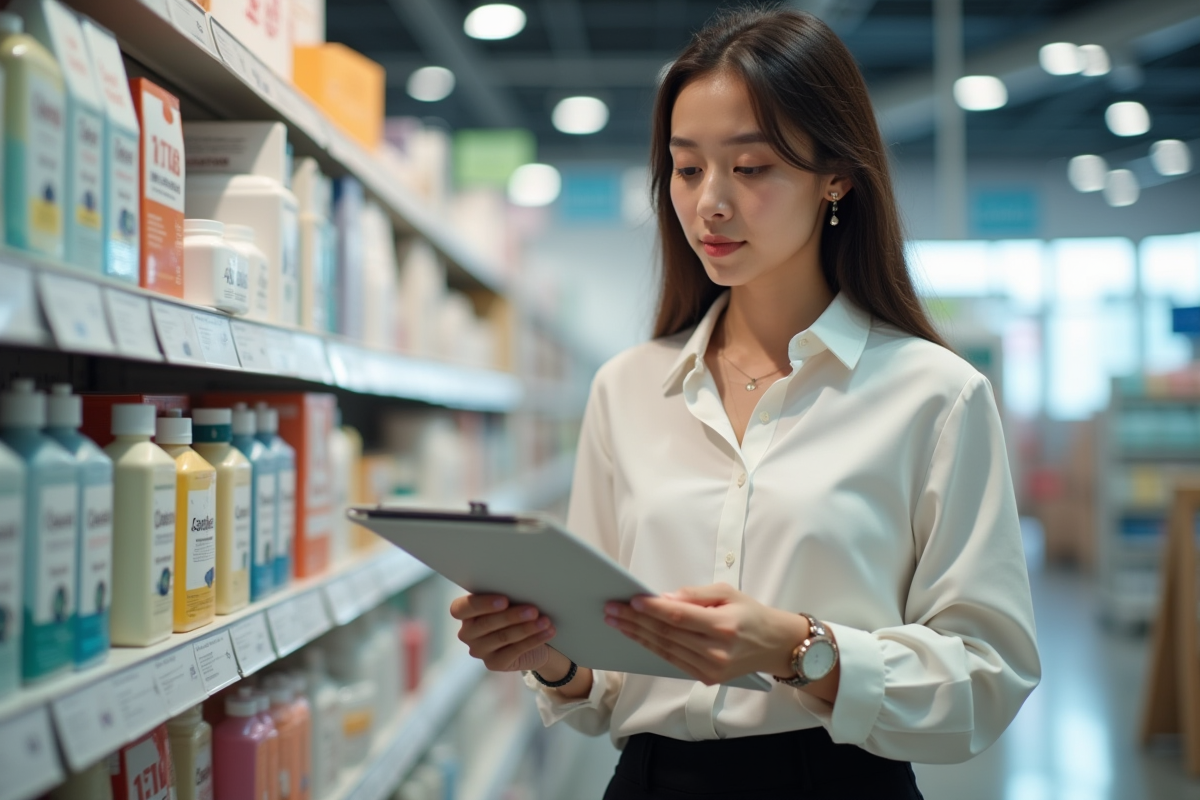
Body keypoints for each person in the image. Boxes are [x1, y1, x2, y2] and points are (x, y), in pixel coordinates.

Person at [450, 7, 1041, 798]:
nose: (710, 204)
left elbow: (988, 676)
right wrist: (550, 657)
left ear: (837, 176)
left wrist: (798, 647)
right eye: (688, 169)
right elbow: (609, 684)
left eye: (752, 167)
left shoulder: (934, 395)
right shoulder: (627, 389)